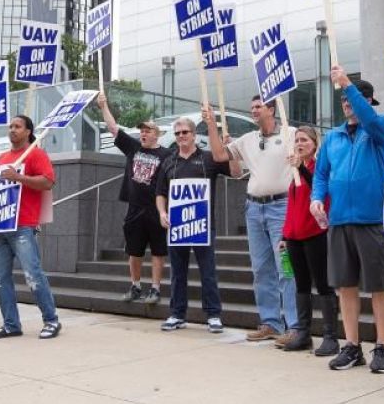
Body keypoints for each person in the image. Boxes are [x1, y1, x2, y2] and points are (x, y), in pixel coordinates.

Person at [311, 67, 384, 373]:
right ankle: (352, 346)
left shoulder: (379, 127)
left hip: (370, 219)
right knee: (345, 285)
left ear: (368, 100)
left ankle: (383, 347)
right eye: (345, 99)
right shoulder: (332, 137)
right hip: (339, 220)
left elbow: (369, 120)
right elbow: (321, 174)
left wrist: (348, 85)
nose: (347, 103)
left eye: (354, 98)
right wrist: (316, 198)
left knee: (378, 285)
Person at [203, 97, 298, 345]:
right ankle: (271, 323)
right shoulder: (247, 139)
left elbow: (311, 155)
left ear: (271, 109)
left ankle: (294, 326)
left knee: (286, 268)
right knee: (261, 270)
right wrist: (212, 125)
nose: (253, 110)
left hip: (282, 207)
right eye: (252, 106)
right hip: (254, 209)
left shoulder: (290, 134)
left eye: (258, 106)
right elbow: (219, 154)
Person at [155, 117, 238, 334]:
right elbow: (160, 193)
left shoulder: (209, 158)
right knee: (177, 273)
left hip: (203, 225)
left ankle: (213, 315)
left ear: (193, 135)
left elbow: (236, 173)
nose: (181, 136)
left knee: (208, 272)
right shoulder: (168, 162)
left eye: (185, 132)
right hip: (177, 226)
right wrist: (162, 213)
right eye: (177, 133)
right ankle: (177, 314)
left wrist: (232, 152)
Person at [0, 115, 61, 340]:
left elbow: (48, 182)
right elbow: (0, 191)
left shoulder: (36, 154)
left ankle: (51, 320)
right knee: (0, 279)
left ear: (28, 131)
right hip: (0, 226)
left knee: (33, 275)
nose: (12, 129)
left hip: (23, 225)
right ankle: (11, 324)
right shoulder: (2, 158)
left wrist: (18, 177)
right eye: (10, 126)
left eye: (17, 126)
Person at [95, 92, 171, 304]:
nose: (143, 134)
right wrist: (103, 107)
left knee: (158, 251)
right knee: (134, 250)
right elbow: (113, 128)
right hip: (135, 208)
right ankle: (135, 286)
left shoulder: (167, 155)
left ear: (157, 135)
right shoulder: (133, 147)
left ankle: (155, 289)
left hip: (156, 210)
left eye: (148, 131)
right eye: (142, 131)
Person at [276, 126, 339, 355]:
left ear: (314, 144)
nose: (299, 144)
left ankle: (330, 336)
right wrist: (285, 235)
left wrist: (301, 168)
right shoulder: (295, 172)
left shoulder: (319, 168)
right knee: (301, 285)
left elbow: (319, 190)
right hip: (296, 235)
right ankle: (303, 333)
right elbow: (293, 207)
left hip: (315, 233)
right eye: (297, 140)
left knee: (323, 284)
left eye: (304, 140)